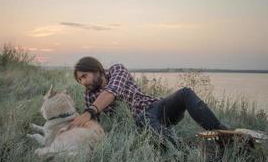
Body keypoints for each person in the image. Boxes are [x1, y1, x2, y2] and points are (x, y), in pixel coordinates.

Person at [70, 56, 229, 147]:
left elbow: (112, 91)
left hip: (157, 107)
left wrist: (89, 111)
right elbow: (94, 125)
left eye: (84, 76)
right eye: (80, 80)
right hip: (139, 123)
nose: (83, 82)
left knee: (185, 93)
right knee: (144, 120)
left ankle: (224, 134)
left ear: (96, 69)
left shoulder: (116, 70)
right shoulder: (89, 95)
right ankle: (181, 152)